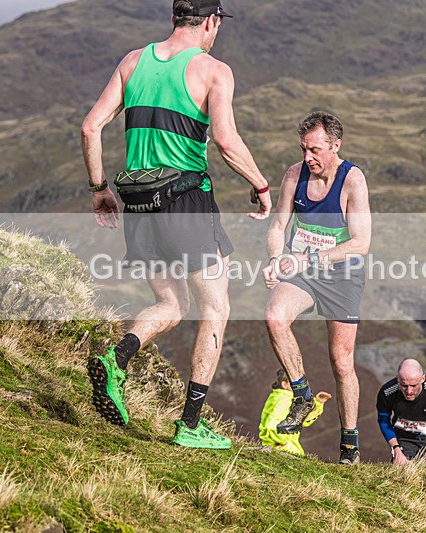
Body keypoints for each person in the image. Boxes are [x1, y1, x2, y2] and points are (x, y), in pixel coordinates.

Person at [80, 0, 272, 449]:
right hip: (186, 201)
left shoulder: (133, 61)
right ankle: (189, 425)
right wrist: (261, 186)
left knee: (170, 304)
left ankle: (117, 358)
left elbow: (91, 128)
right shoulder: (212, 70)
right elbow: (225, 141)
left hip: (139, 204)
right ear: (210, 21)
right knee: (215, 309)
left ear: (173, 18)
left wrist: (99, 189)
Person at [262, 111, 371, 465]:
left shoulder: (353, 180)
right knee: (275, 318)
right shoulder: (294, 175)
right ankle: (302, 394)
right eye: (303, 149)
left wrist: (308, 259)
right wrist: (277, 260)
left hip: (341, 273)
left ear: (335, 146)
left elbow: (361, 243)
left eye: (315, 150)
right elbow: (279, 226)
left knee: (341, 362)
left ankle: (350, 447)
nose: (307, 158)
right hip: (303, 268)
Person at [259, 369, 332, 456]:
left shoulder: (287, 399)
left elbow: (303, 420)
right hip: (282, 449)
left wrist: (318, 403)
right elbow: (273, 424)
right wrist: (282, 441)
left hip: (284, 447)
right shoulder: (284, 399)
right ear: (284, 384)